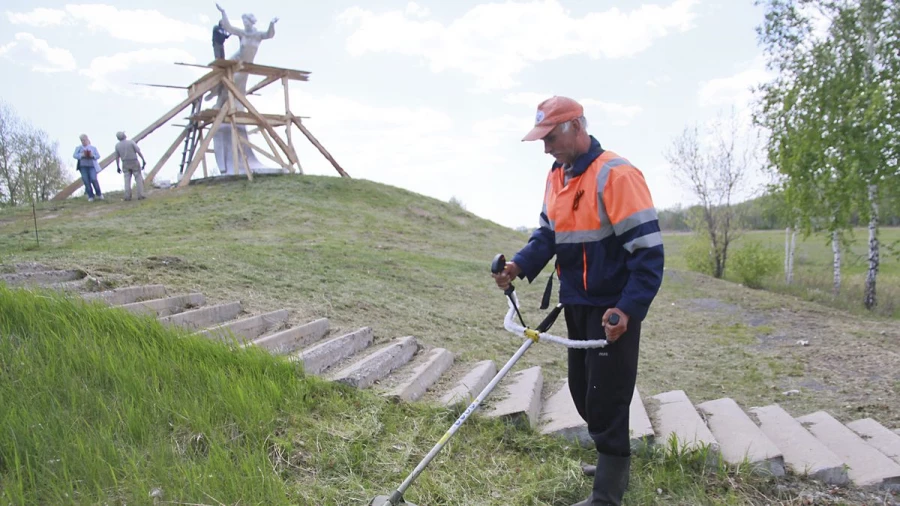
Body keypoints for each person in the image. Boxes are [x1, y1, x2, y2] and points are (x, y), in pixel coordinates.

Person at [492, 96, 664, 506]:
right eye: (542, 139)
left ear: (576, 127)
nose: (546, 147)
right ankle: (609, 456)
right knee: (583, 390)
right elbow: (548, 235)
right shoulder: (557, 176)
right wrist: (518, 265)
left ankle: (607, 492)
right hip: (577, 301)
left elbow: (648, 254)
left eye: (550, 137)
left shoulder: (617, 175)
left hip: (613, 308)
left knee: (608, 394)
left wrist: (628, 309)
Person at [114, 131, 147, 201]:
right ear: (124, 135)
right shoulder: (131, 142)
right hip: (134, 161)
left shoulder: (117, 146)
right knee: (138, 178)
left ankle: (127, 196)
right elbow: (138, 151)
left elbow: (117, 157)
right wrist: (143, 160)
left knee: (127, 180)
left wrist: (118, 166)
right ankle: (140, 195)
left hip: (125, 163)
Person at [73, 134, 103, 202]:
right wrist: (81, 155)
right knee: (86, 181)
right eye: (82, 140)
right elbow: (74, 155)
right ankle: (90, 196)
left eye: (84, 140)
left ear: (87, 139)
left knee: (94, 179)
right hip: (83, 166)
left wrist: (92, 155)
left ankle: (99, 193)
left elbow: (98, 156)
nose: (83, 141)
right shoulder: (79, 148)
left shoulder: (93, 148)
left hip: (92, 166)